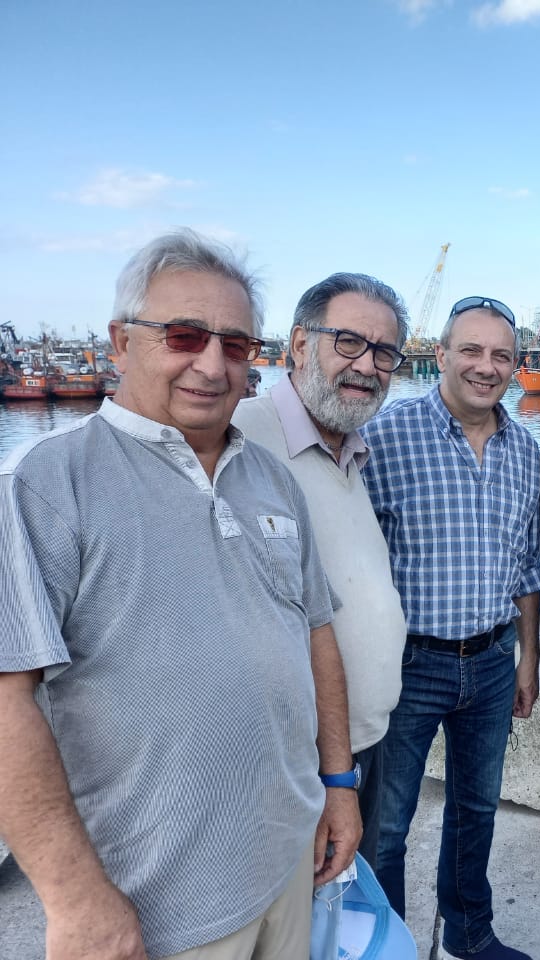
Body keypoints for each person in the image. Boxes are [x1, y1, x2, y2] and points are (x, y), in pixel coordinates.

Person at [0, 228, 359, 960]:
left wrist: (339, 784)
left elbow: (316, 633)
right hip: (156, 905)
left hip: (286, 860)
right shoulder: (43, 484)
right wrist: (74, 900)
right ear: (120, 342)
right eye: (185, 335)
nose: (211, 363)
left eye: (235, 346)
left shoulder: (271, 477)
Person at [362, 296, 540, 960]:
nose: (485, 366)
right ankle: (382, 945)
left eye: (500, 355)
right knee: (385, 825)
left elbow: (527, 565)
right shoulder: (385, 438)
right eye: (470, 350)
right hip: (408, 665)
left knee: (477, 811)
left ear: (516, 366)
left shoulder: (526, 452)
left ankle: (470, 933)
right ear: (439, 355)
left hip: (493, 662)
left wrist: (527, 661)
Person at [233, 272, 410, 867]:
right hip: (294, 761)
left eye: (385, 352)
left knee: (365, 891)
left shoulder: (354, 449)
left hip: (366, 736)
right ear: (300, 344)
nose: (368, 364)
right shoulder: (239, 435)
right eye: (349, 341)